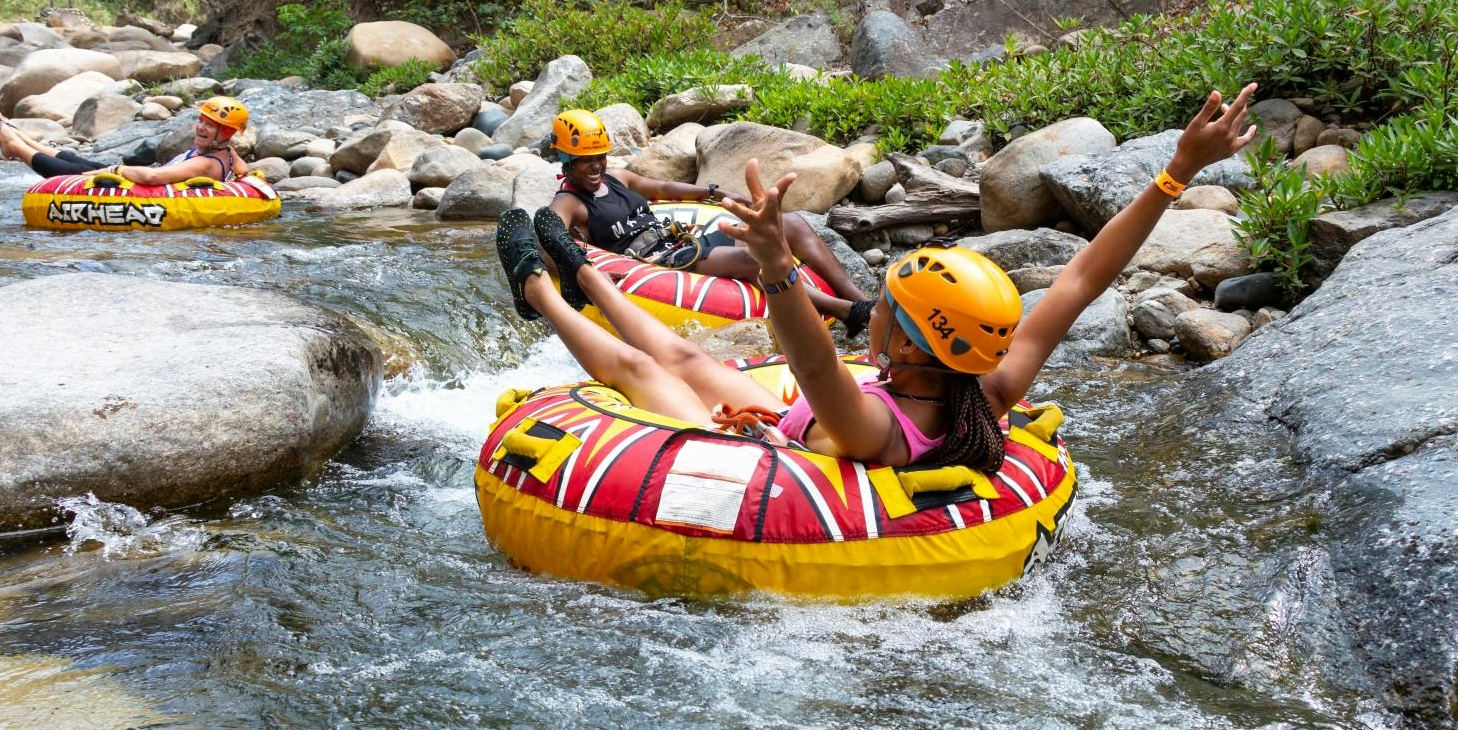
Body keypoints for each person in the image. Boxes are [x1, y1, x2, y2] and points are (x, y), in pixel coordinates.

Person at [495, 85, 1259, 471]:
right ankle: (586, 274)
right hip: (785, 427)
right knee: (693, 357)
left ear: (908, 337)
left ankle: (541, 288)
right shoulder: (988, 387)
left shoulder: (873, 425)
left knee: (641, 368)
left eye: (885, 303)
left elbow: (815, 359)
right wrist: (1175, 174)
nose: (877, 311)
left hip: (756, 460)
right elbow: (1077, 283)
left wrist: (774, 266)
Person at [544, 109, 874, 331]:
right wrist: (589, 272)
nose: (596, 167)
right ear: (567, 161)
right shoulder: (570, 203)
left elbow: (661, 187)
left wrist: (715, 194)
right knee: (751, 260)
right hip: (661, 263)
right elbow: (548, 244)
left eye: (599, 157)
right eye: (586, 161)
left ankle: (862, 301)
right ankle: (843, 311)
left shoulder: (618, 177)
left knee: (794, 225)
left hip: (682, 241)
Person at [0, 98, 252, 185]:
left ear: (225, 134)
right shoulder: (228, 153)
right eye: (202, 120)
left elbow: (151, 178)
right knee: (78, 160)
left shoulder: (206, 165)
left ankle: (16, 147)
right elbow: (245, 173)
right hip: (140, 180)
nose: (201, 127)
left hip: (143, 186)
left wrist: (114, 170)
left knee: (74, 173)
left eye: (210, 125)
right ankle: (22, 138)